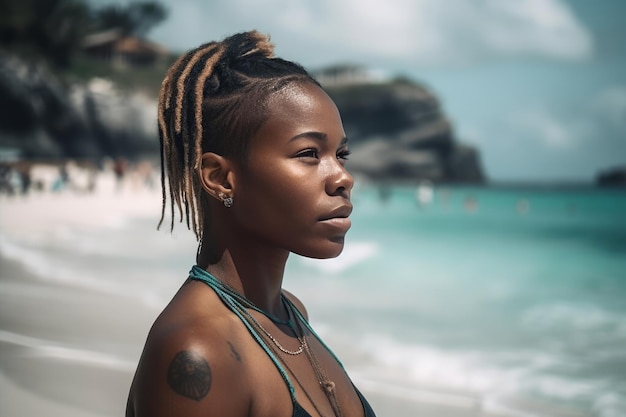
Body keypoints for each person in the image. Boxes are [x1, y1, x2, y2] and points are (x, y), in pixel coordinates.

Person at [126, 31, 377, 417]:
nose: (343, 177)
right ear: (220, 177)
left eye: (340, 154)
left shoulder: (291, 314)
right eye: (309, 153)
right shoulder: (198, 351)